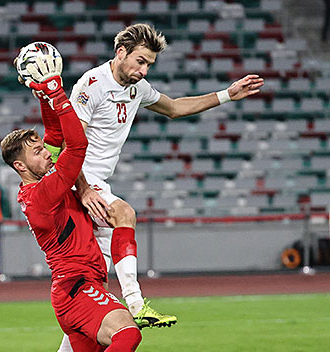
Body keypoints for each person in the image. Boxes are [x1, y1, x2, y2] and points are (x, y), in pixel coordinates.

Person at [42, 24, 264, 347]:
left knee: (91, 293)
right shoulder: (91, 85)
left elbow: (174, 108)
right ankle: (135, 301)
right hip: (79, 181)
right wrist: (85, 189)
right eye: (141, 62)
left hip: (95, 183)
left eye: (149, 65)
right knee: (125, 214)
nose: (144, 70)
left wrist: (227, 95)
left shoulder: (138, 88)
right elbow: (69, 144)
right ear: (121, 53)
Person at [1, 56, 142, 351]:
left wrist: (42, 96)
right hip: (77, 288)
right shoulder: (43, 194)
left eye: (42, 149)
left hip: (79, 286)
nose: (46, 154)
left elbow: (54, 134)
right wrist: (57, 94)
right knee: (128, 334)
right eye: (37, 152)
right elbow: (76, 145)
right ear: (20, 166)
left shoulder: (42, 182)